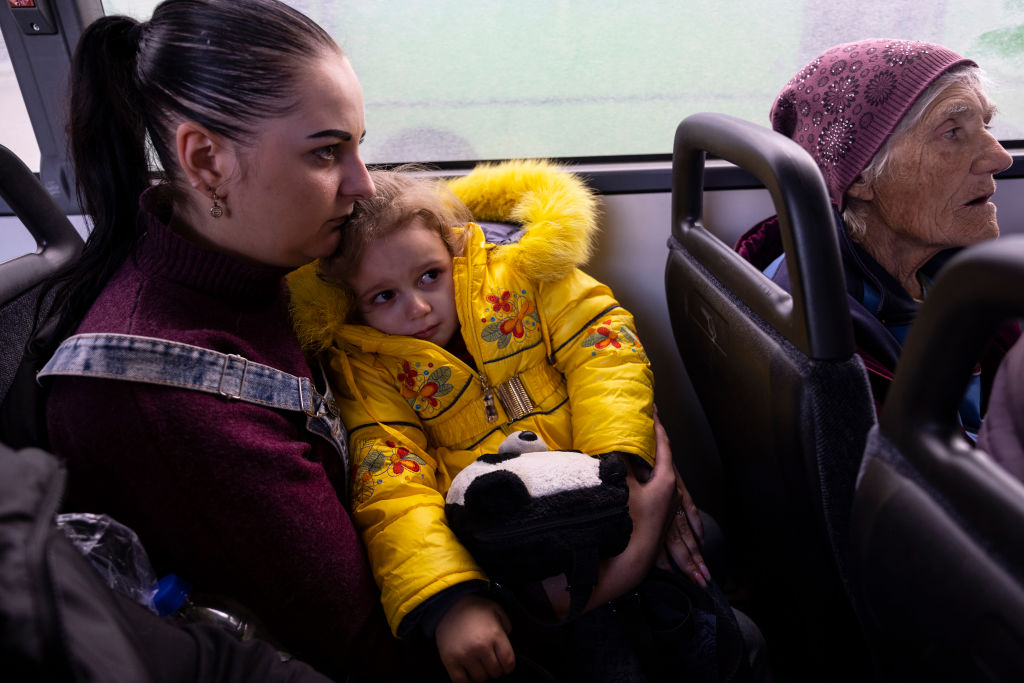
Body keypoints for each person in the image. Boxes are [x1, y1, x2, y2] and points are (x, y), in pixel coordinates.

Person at [34, 0, 394, 678]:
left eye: (357, 145)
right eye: (326, 152)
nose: (363, 184)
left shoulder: (260, 266)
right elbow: (365, 648)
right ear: (204, 162)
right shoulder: (164, 401)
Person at [286, 160, 721, 682]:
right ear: (353, 307)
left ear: (456, 251)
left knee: (706, 613)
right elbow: (393, 487)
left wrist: (620, 459)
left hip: (602, 491)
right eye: (384, 297)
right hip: (516, 557)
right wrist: (449, 599)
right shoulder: (370, 369)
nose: (419, 308)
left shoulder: (522, 276)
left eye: (430, 275)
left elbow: (602, 347)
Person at [735, 38, 1017, 429]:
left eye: (985, 125)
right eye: (952, 131)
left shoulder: (940, 270)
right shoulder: (831, 342)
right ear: (861, 176)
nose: (1000, 157)